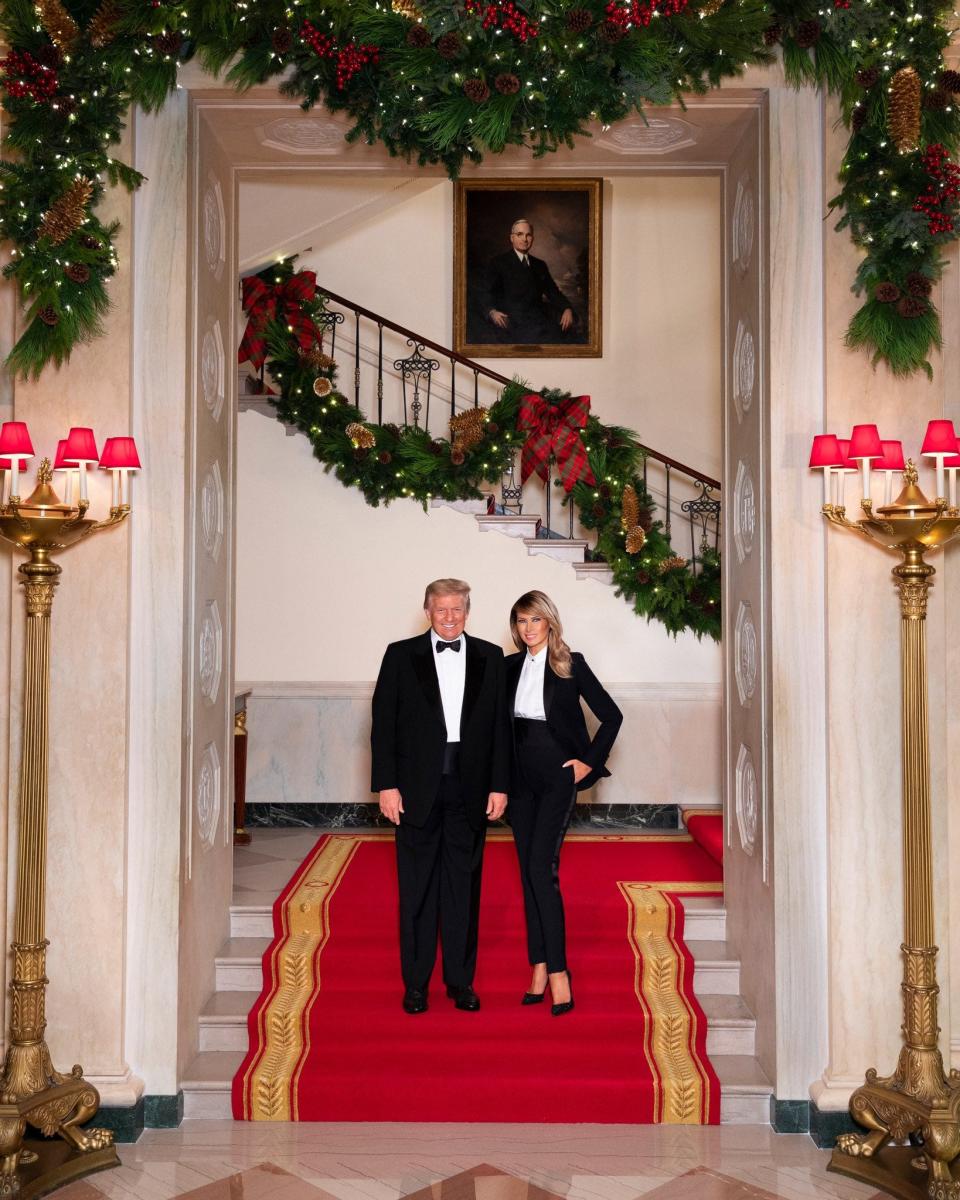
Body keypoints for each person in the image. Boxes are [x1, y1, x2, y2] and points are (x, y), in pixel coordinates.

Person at [371, 579, 510, 1014]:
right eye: (441, 610)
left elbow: (501, 731)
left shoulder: (491, 656)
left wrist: (500, 784)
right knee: (416, 890)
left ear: (468, 611)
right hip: (414, 791)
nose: (449, 618)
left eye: (457, 610)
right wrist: (387, 786)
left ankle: (460, 982)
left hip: (470, 789)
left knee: (463, 890)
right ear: (427, 610)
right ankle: (415, 984)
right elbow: (382, 725)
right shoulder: (400, 655)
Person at [505, 590, 622, 1015]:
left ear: (550, 622)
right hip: (519, 780)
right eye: (521, 621)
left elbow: (612, 716)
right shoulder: (509, 667)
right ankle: (537, 964)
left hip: (557, 776)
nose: (528, 629)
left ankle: (558, 971)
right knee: (526, 874)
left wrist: (587, 764)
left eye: (535, 620)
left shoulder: (571, 664)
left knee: (542, 869)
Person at [473, 218, 578, 344]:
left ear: (532, 239)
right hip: (510, 323)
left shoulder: (540, 265)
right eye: (520, 235)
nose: (525, 239)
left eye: (528, 235)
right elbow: (485, 292)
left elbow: (553, 292)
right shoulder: (498, 263)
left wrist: (567, 308)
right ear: (512, 238)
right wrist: (492, 312)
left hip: (537, 321)